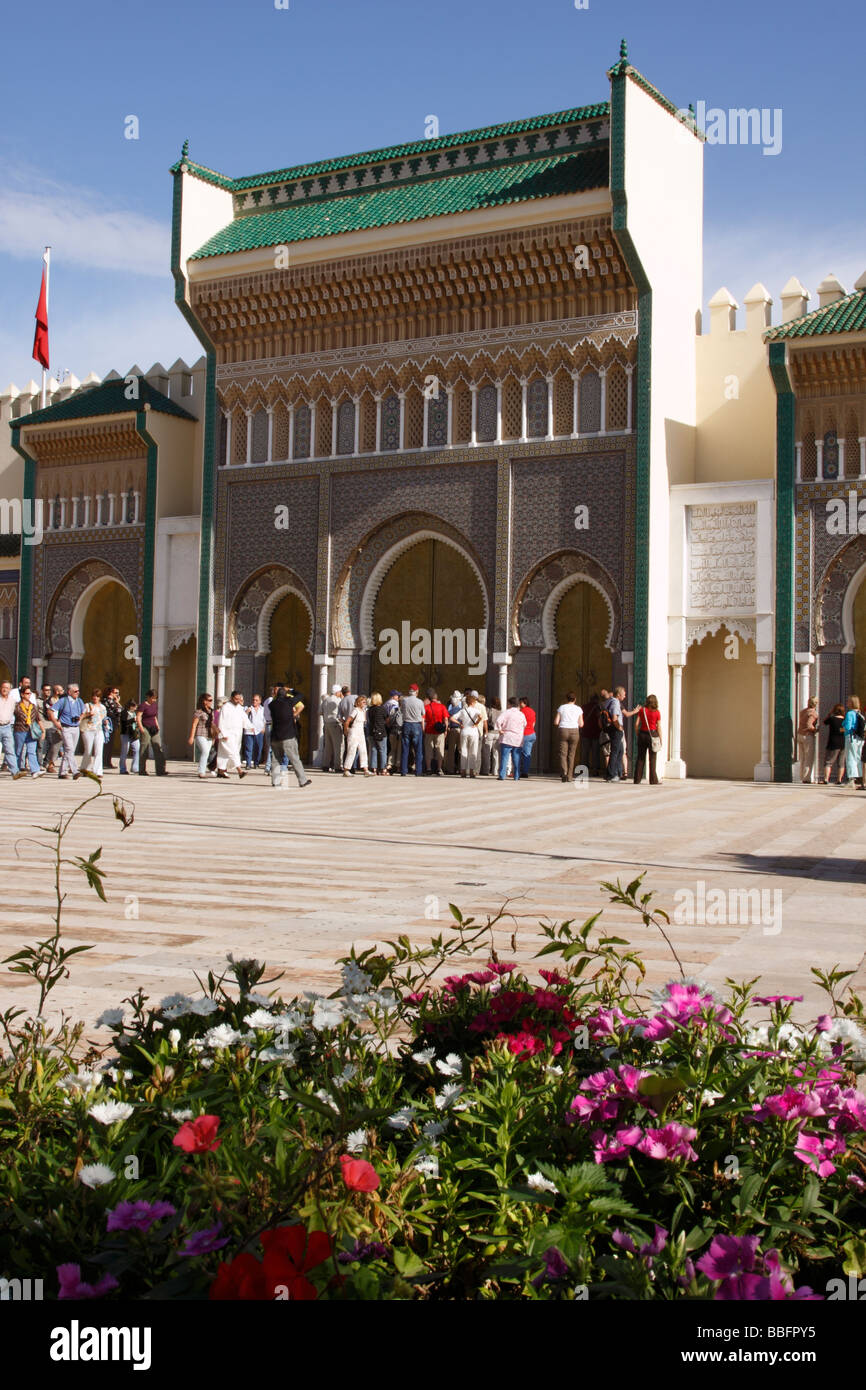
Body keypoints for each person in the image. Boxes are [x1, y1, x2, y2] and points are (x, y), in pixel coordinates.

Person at [269, 685, 311, 789]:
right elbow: (300, 695)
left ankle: (276, 781)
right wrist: (291, 690)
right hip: (288, 736)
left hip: (275, 736)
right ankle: (302, 780)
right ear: (286, 695)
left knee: (275, 759)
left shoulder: (272, 705)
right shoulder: (289, 702)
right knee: (295, 758)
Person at [49, 683, 86, 780]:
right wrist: (56, 723)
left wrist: (80, 718)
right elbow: (51, 710)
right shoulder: (63, 701)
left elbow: (83, 711)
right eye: (75, 691)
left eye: (78, 691)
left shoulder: (79, 701)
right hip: (66, 727)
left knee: (70, 750)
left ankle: (62, 772)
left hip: (75, 727)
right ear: (69, 692)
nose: (77, 693)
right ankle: (75, 771)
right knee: (69, 748)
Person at [627, 693, 662, 785]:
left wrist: (638, 733)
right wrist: (660, 739)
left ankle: (637, 779)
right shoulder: (657, 712)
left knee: (640, 758)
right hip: (653, 734)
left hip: (642, 734)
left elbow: (636, 724)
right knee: (652, 759)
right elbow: (659, 727)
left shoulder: (642, 710)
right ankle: (653, 780)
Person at [216, 690, 251, 779]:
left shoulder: (239, 707)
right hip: (227, 734)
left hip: (237, 734)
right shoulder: (225, 707)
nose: (238, 701)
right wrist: (223, 733)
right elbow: (221, 721)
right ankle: (240, 771)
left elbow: (244, 718)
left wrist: (250, 726)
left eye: (239, 699)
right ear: (232, 698)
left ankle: (220, 771)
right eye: (236, 699)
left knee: (224, 753)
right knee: (233, 752)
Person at [13, 680, 45, 778]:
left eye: (30, 693)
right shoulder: (17, 706)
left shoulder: (33, 706)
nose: (29, 695)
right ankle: (16, 770)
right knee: (18, 751)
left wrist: (43, 730)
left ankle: (35, 770)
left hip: (31, 731)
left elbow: (38, 719)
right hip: (20, 730)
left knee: (31, 751)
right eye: (27, 693)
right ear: (22, 694)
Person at [453, 691, 485, 778]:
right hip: (473, 732)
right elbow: (481, 717)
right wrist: (476, 723)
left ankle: (463, 771)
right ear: (472, 702)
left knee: (464, 751)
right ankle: (471, 771)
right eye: (474, 702)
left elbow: (452, 718)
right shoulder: (476, 710)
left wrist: (460, 724)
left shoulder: (463, 711)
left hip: (464, 731)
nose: (475, 703)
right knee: (473, 752)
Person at [553, 691, 583, 781]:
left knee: (563, 754)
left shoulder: (562, 707)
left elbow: (556, 722)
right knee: (571, 754)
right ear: (575, 699)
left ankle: (564, 773)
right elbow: (581, 724)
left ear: (566, 699)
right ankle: (570, 776)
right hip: (574, 731)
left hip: (563, 730)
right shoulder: (578, 709)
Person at [137, 690, 168, 776]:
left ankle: (160, 770)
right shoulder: (143, 705)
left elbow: (154, 716)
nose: (154, 700)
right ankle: (142, 770)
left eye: (155, 698)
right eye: (153, 698)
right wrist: (141, 728)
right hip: (145, 728)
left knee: (158, 748)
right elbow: (138, 717)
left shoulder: (154, 705)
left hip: (154, 728)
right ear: (148, 697)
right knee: (144, 749)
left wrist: (157, 725)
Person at [78, 687, 108, 778]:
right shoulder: (87, 705)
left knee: (99, 750)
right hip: (88, 729)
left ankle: (98, 771)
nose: (95, 698)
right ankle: (85, 769)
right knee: (88, 750)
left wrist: (105, 722)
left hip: (99, 730)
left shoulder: (102, 707)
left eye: (97, 696)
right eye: (94, 696)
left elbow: (103, 717)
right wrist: (88, 714)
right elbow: (81, 717)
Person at [496, 696, 527, 781]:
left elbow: (498, 721)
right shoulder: (521, 714)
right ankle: (516, 776)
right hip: (517, 738)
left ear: (510, 704)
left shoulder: (506, 712)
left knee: (504, 757)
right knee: (516, 758)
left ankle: (502, 775)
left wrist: (500, 729)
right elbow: (525, 724)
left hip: (507, 737)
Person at [343, 695, 373, 776]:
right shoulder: (355, 710)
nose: (364, 703)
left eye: (365, 702)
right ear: (358, 702)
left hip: (361, 732)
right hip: (354, 732)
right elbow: (347, 721)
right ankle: (346, 769)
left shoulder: (363, 711)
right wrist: (346, 731)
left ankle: (365, 769)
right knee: (352, 751)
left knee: (363, 750)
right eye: (363, 702)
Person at [399, 684, 425, 777]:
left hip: (406, 724)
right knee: (418, 750)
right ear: (417, 691)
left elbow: (401, 711)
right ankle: (418, 771)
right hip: (416, 725)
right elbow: (423, 714)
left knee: (405, 749)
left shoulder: (404, 701)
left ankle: (403, 771)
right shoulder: (420, 702)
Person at [424, 689, 449, 776]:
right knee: (439, 749)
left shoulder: (426, 707)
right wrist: (445, 730)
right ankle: (439, 768)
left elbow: (423, 720)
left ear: (429, 698)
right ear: (436, 697)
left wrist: (423, 730)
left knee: (428, 749)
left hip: (429, 730)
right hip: (439, 732)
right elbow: (446, 719)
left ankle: (428, 768)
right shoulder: (442, 707)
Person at [189, 693, 214, 779]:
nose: (211, 702)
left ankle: (203, 769)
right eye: (210, 700)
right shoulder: (198, 712)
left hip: (209, 735)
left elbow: (213, 725)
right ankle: (201, 772)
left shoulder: (211, 711)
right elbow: (194, 725)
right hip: (200, 734)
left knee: (206, 753)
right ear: (204, 701)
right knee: (205, 751)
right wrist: (191, 737)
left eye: (211, 700)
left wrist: (214, 737)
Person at [602, 688, 625, 783]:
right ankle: (612, 774)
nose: (624, 696)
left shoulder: (609, 701)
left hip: (612, 729)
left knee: (620, 751)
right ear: (618, 695)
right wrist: (619, 727)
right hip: (615, 730)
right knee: (615, 752)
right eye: (623, 694)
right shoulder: (615, 703)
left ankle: (616, 773)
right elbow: (615, 717)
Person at [843, 695, 865, 789]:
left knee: (850, 757)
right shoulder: (860, 714)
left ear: (851, 703)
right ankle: (860, 778)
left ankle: (851, 780)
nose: (847, 703)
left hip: (851, 737)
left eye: (848, 701)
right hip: (859, 739)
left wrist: (843, 725)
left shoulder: (850, 713)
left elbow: (847, 726)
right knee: (858, 758)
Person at [821, 703, 846, 785]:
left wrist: (829, 713)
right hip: (843, 743)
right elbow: (843, 731)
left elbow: (824, 722)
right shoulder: (845, 720)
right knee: (841, 763)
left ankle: (826, 779)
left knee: (828, 762)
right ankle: (839, 780)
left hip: (833, 742)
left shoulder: (832, 719)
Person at [321, 682, 343, 772]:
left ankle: (325, 765)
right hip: (335, 724)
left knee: (328, 746)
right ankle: (337, 766)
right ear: (338, 692)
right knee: (338, 746)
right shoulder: (338, 701)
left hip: (326, 724)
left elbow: (319, 712)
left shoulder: (326, 700)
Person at [796, 696, 819, 784]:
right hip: (807, 736)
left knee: (802, 757)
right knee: (809, 758)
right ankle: (807, 778)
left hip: (800, 735)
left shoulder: (803, 711)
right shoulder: (813, 713)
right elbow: (809, 725)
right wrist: (815, 730)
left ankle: (802, 776)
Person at [368, 692, 390, 775]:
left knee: (373, 750)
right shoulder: (382, 709)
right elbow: (387, 719)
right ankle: (383, 769)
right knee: (382, 750)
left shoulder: (370, 710)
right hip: (381, 731)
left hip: (372, 731)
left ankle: (374, 768)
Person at [0, 678, 19, 776]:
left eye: (7, 688)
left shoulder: (13, 701)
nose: (5, 689)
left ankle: (15, 772)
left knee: (10, 750)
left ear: (10, 690)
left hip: (7, 727)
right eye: (3, 687)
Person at [243, 693, 266, 768]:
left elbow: (265, 720)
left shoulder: (263, 709)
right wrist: (247, 711)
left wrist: (264, 728)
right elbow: (242, 717)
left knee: (258, 748)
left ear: (260, 701)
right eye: (253, 700)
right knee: (248, 748)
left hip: (259, 731)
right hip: (249, 731)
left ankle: (256, 763)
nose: (254, 701)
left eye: (256, 700)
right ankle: (248, 764)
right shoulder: (247, 708)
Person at [581, 694, 601, 776]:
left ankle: (583, 770)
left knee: (585, 752)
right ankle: (595, 770)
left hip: (585, 732)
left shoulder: (584, 707)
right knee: (595, 752)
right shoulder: (598, 707)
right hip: (596, 732)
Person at [119, 698, 141, 774]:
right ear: (130, 706)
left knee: (137, 749)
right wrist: (133, 720)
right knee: (125, 751)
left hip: (134, 734)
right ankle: (122, 769)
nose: (135, 708)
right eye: (134, 706)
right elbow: (124, 722)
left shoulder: (135, 713)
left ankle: (135, 767)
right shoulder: (124, 712)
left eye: (136, 706)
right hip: (126, 734)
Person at [102, 687, 122, 770]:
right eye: (115, 692)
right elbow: (118, 711)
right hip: (108, 724)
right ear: (110, 693)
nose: (117, 695)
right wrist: (117, 703)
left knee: (110, 744)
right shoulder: (107, 701)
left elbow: (121, 710)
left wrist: (117, 702)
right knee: (107, 743)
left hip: (113, 724)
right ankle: (105, 762)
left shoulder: (114, 702)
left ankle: (108, 761)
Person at [481, 697, 501, 776]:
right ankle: (495, 771)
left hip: (490, 732)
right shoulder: (501, 712)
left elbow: (486, 720)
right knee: (496, 753)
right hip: (498, 733)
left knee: (487, 752)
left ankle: (486, 770)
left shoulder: (489, 710)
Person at [383, 689, 402, 772]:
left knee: (392, 748)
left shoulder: (386, 704)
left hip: (391, 729)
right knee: (399, 748)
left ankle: (390, 764)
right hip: (399, 730)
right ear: (393, 696)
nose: (398, 697)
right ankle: (398, 765)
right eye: (397, 695)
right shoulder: (396, 705)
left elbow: (388, 718)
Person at [518, 696, 536, 778]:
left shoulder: (521, 711)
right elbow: (533, 723)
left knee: (520, 754)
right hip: (532, 734)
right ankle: (525, 771)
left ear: (524, 703)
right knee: (527, 754)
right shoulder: (532, 711)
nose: (519, 704)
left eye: (520, 702)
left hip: (525, 734)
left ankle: (521, 771)